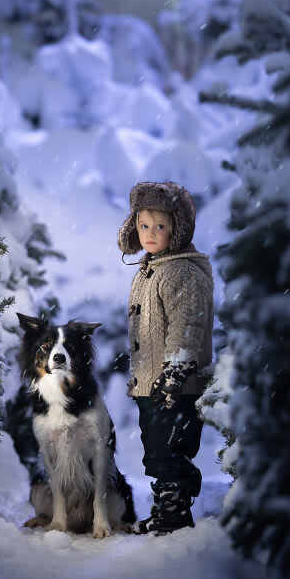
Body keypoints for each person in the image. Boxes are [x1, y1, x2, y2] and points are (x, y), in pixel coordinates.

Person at [117, 181, 214, 535]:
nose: (150, 233)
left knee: (167, 451)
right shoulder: (151, 269)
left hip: (176, 384)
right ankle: (167, 502)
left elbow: (186, 325)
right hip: (151, 386)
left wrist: (174, 371)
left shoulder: (182, 272)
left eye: (160, 226)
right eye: (144, 226)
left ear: (178, 229)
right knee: (155, 450)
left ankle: (175, 510)